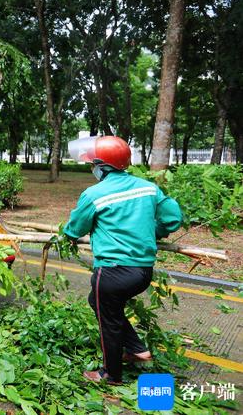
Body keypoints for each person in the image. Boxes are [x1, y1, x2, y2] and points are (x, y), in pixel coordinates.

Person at [63, 135, 183, 385]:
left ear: (102, 166)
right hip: (142, 272)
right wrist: (154, 231)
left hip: (112, 272)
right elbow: (173, 219)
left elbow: (74, 230)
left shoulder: (94, 194)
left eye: (92, 165)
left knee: (109, 323)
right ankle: (136, 349)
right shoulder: (149, 188)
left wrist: (68, 235)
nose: (92, 169)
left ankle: (110, 374)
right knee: (102, 305)